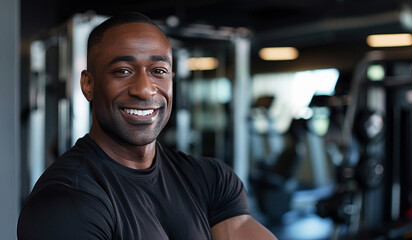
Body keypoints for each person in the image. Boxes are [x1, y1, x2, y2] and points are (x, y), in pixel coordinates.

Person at [17, 12, 277, 240]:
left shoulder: (212, 180)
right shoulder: (64, 203)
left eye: (158, 71)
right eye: (122, 71)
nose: (144, 89)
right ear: (89, 85)